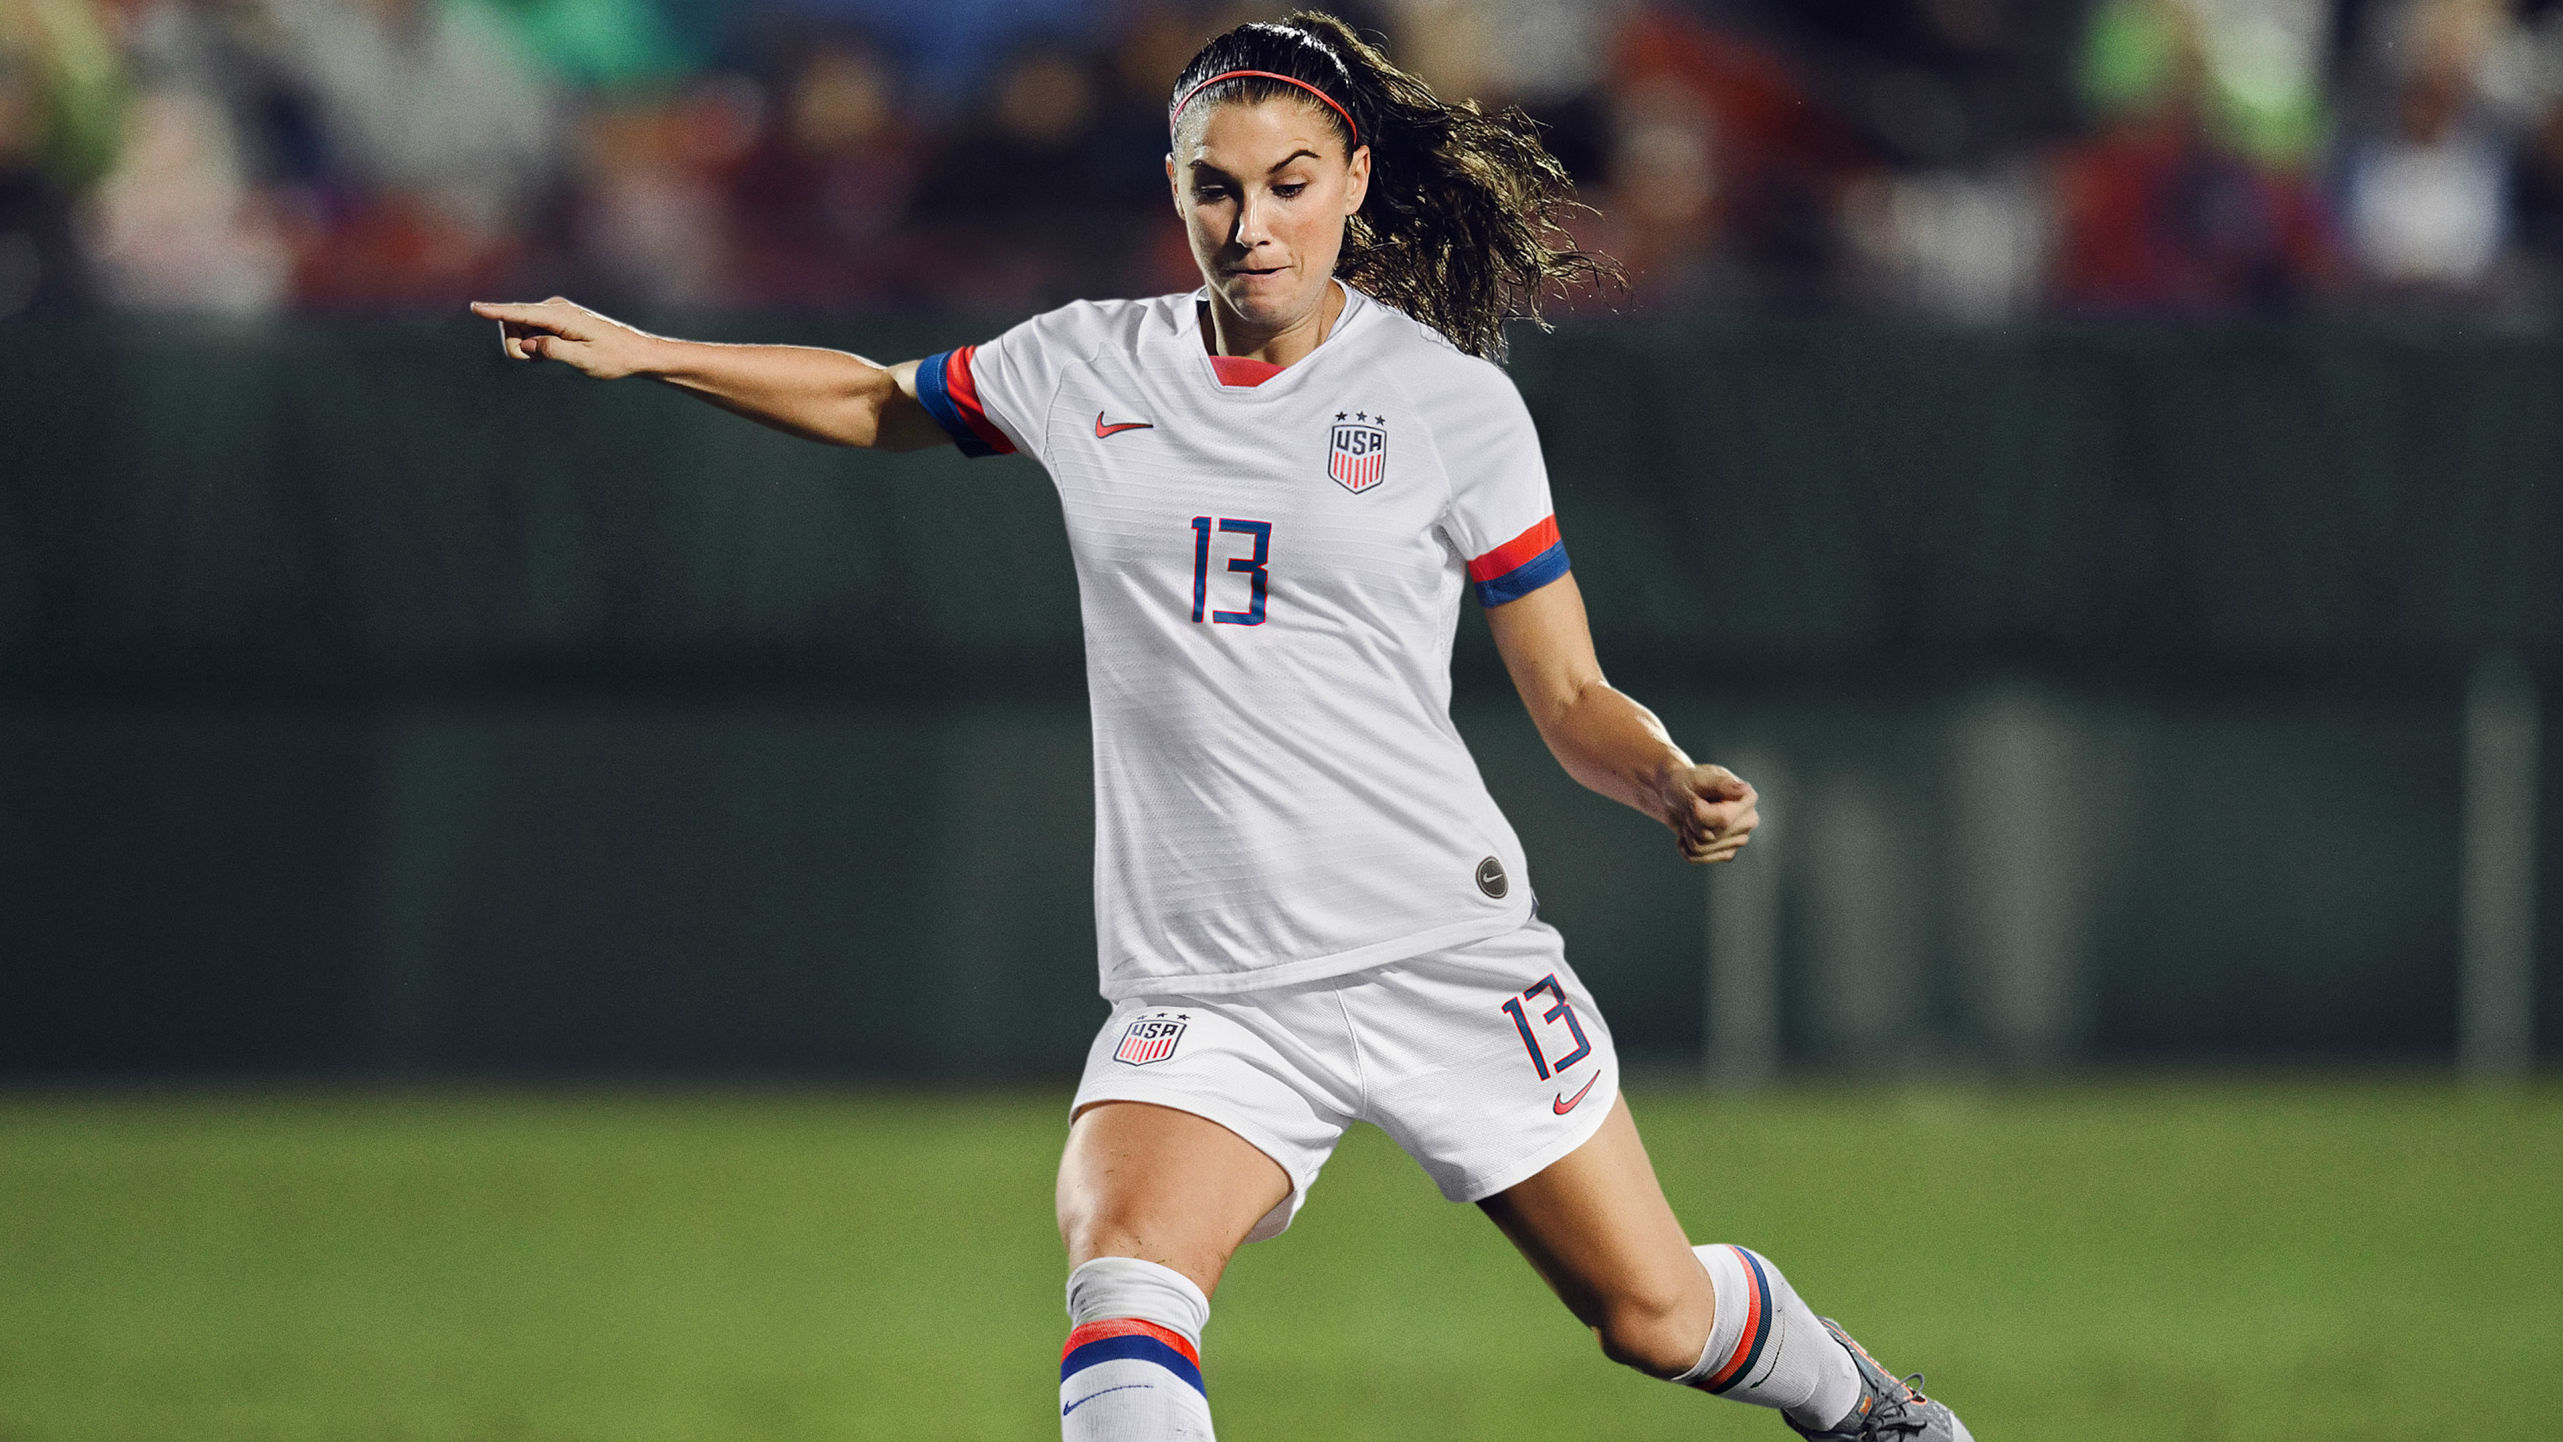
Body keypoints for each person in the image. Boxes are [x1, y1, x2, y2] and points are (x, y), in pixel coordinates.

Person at [469, 14, 1969, 1441]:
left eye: (1290, 185)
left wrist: (1663, 775)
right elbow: (878, 398)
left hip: (1436, 947)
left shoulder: (1450, 408)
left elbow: (1570, 696)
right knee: (1124, 1267)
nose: (1252, 223)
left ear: (1358, 181)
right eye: (1217, 186)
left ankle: (1865, 1408)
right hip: (1213, 980)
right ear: (1175, 187)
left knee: (1653, 1315)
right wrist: (653, 352)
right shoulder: (1088, 361)